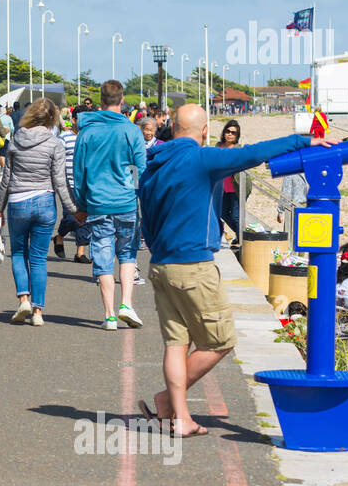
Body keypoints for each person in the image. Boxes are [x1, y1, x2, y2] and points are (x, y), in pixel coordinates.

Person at [137, 105, 324, 437]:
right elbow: (251, 155)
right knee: (220, 341)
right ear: (205, 129)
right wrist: (303, 141)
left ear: (173, 128)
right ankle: (167, 401)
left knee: (176, 344)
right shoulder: (201, 159)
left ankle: (179, 417)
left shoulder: (152, 166)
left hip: (161, 264)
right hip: (192, 265)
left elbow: (147, 222)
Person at [0, 99, 83, 326]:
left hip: (18, 202)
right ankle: (37, 312)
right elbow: (60, 182)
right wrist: (73, 210)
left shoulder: (15, 140)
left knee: (18, 253)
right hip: (45, 202)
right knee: (38, 259)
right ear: (53, 118)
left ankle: (23, 297)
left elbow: (6, 178)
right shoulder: (55, 143)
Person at [75, 80, 147, 330]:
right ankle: (126, 303)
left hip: (97, 203)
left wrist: (81, 204)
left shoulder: (87, 132)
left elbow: (79, 173)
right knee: (127, 254)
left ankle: (110, 316)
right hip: (126, 202)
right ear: (122, 100)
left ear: (100, 101)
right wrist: (136, 193)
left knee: (103, 259)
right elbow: (141, 169)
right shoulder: (132, 131)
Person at [53, 108, 89, 263]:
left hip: (86, 184)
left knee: (86, 218)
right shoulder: (63, 138)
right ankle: (59, 237)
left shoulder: (89, 137)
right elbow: (56, 161)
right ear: (73, 120)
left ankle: (80, 252)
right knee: (71, 216)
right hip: (67, 184)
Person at [216, 120, 243, 245]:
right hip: (222, 188)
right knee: (223, 213)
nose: (230, 134)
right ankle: (241, 235)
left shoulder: (238, 149)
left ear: (237, 136)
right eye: (228, 131)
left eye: (233, 133)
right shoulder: (218, 146)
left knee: (236, 216)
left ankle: (241, 239)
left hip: (236, 187)